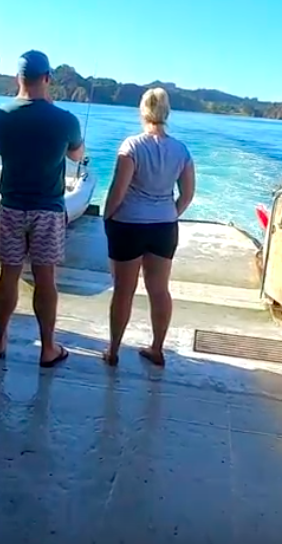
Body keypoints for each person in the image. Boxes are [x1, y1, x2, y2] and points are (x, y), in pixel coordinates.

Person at [0, 50, 84, 368]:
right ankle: (48, 348)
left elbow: (2, 149)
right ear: (47, 79)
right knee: (46, 280)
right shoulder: (65, 120)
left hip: (13, 205)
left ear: (18, 78)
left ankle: (0, 340)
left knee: (8, 275)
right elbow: (75, 155)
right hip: (48, 209)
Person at [101, 87, 196, 368]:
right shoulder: (181, 150)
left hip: (129, 225)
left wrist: (108, 218)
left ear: (143, 111)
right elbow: (188, 194)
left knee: (123, 291)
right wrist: (169, 214)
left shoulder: (132, 146)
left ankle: (114, 350)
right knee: (159, 290)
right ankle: (157, 349)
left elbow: (117, 192)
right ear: (166, 113)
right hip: (164, 228)